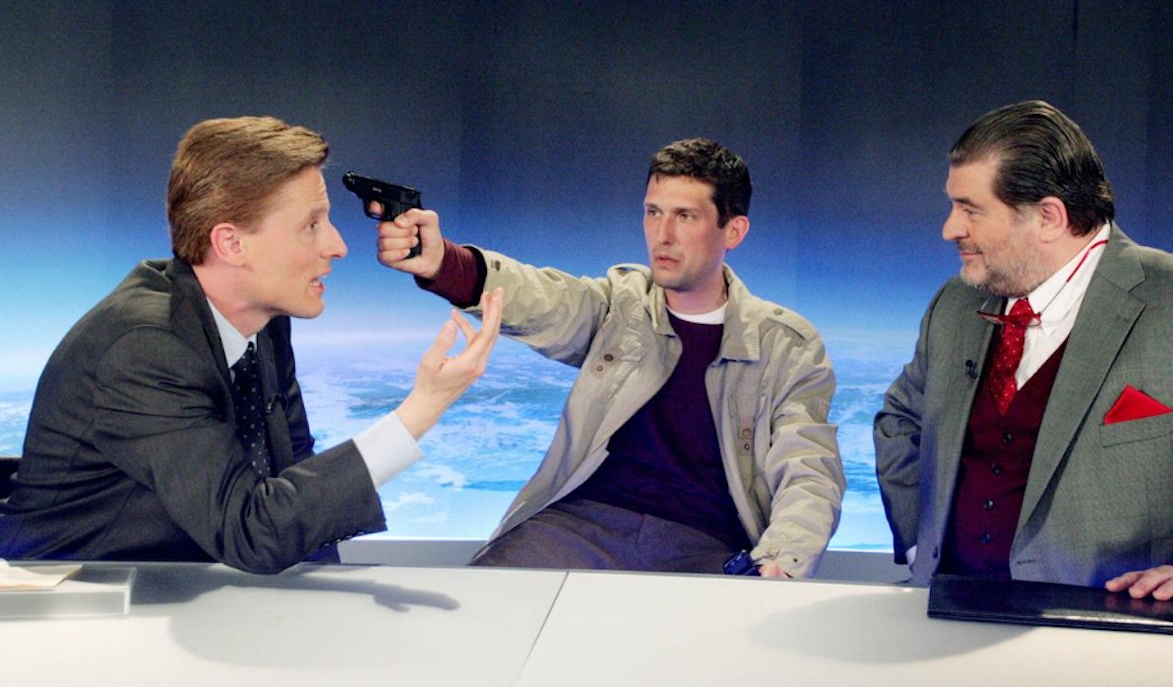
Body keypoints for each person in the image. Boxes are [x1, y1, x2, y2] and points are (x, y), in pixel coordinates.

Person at [0, 116, 503, 574]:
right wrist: (420, 411)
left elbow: (294, 477)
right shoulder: (145, 346)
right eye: (311, 225)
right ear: (231, 244)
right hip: (76, 599)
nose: (337, 246)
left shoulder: (263, 321)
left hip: (187, 583)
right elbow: (251, 531)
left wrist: (328, 607)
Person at [375, 138, 844, 578]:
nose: (663, 235)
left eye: (685, 216)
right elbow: (541, 298)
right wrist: (442, 262)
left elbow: (809, 469)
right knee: (485, 604)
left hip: (707, 544)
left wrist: (782, 559)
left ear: (733, 230)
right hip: (579, 525)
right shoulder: (621, 304)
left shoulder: (788, 346)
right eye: (653, 212)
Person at [875, 100, 1173, 605]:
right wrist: (924, 545)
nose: (950, 229)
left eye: (970, 209)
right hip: (948, 620)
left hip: (1124, 636)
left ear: (1049, 217)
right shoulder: (955, 304)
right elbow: (900, 423)